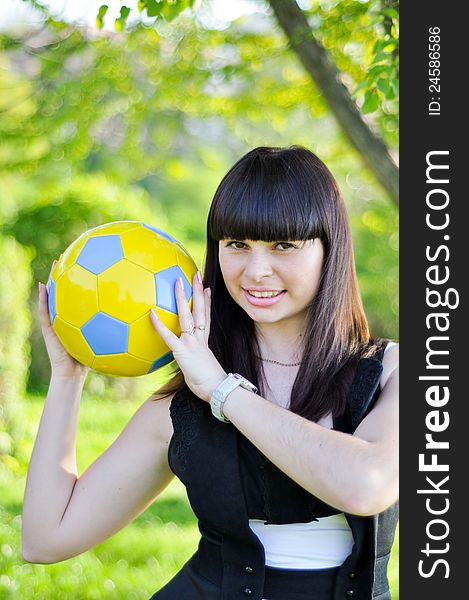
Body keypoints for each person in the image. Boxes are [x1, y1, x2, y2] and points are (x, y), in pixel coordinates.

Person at [23, 146, 399, 600]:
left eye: (283, 245)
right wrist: (67, 379)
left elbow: (365, 487)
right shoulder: (181, 405)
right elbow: (46, 539)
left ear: (329, 250)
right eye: (237, 244)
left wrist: (223, 391)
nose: (257, 271)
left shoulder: (391, 372)